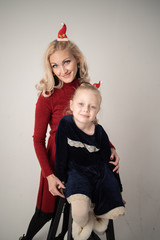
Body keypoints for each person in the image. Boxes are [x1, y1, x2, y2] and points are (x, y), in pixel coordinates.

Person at [19, 24, 121, 240]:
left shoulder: (85, 90)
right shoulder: (48, 96)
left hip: (85, 159)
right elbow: (38, 139)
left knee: (82, 207)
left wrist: (111, 148)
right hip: (57, 161)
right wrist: (49, 175)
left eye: (66, 62)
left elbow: (91, 126)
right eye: (55, 65)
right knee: (46, 212)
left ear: (77, 60)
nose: (62, 70)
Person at [55, 83, 125, 240]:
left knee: (111, 202)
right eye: (81, 104)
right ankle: (85, 222)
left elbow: (109, 162)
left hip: (98, 172)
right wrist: (59, 178)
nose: (86, 109)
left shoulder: (99, 132)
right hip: (75, 172)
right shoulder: (66, 124)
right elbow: (60, 155)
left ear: (97, 111)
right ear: (72, 105)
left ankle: (97, 216)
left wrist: (118, 188)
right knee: (79, 213)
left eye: (92, 106)